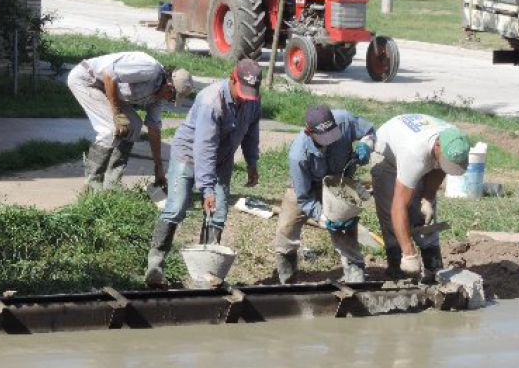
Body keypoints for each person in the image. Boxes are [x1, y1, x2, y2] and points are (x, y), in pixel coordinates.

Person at [144, 59, 263, 288]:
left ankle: (206, 272)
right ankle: (155, 265)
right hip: (188, 155)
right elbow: (204, 147)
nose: (243, 98)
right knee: (177, 207)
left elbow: (251, 132)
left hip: (222, 159)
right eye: (240, 92)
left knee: (217, 213)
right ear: (231, 79)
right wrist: (207, 189)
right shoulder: (211, 101)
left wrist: (252, 162)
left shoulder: (253, 101)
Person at [274, 105, 376, 284]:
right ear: (309, 132)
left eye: (332, 135)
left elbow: (369, 130)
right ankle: (287, 276)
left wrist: (366, 145)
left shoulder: (344, 120)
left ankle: (355, 273)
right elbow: (304, 198)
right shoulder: (298, 155)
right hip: (307, 184)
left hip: (338, 182)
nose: (329, 141)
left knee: (345, 227)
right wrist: (324, 217)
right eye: (323, 138)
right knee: (287, 228)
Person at [67, 51, 193, 190]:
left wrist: (158, 167)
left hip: (106, 89)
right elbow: (109, 76)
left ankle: (111, 186)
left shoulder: (157, 97)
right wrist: (116, 113)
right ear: (169, 86)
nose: (169, 100)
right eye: (172, 97)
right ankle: (91, 187)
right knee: (110, 130)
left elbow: (154, 129)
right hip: (87, 79)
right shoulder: (150, 68)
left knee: (134, 125)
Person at [370, 113, 470, 282]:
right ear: (437, 147)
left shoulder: (455, 142)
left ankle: (433, 266)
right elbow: (398, 206)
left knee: (423, 214)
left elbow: (440, 168)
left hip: (419, 146)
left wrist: (427, 198)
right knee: (391, 211)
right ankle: (399, 269)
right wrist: (409, 253)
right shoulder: (414, 153)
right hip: (386, 153)